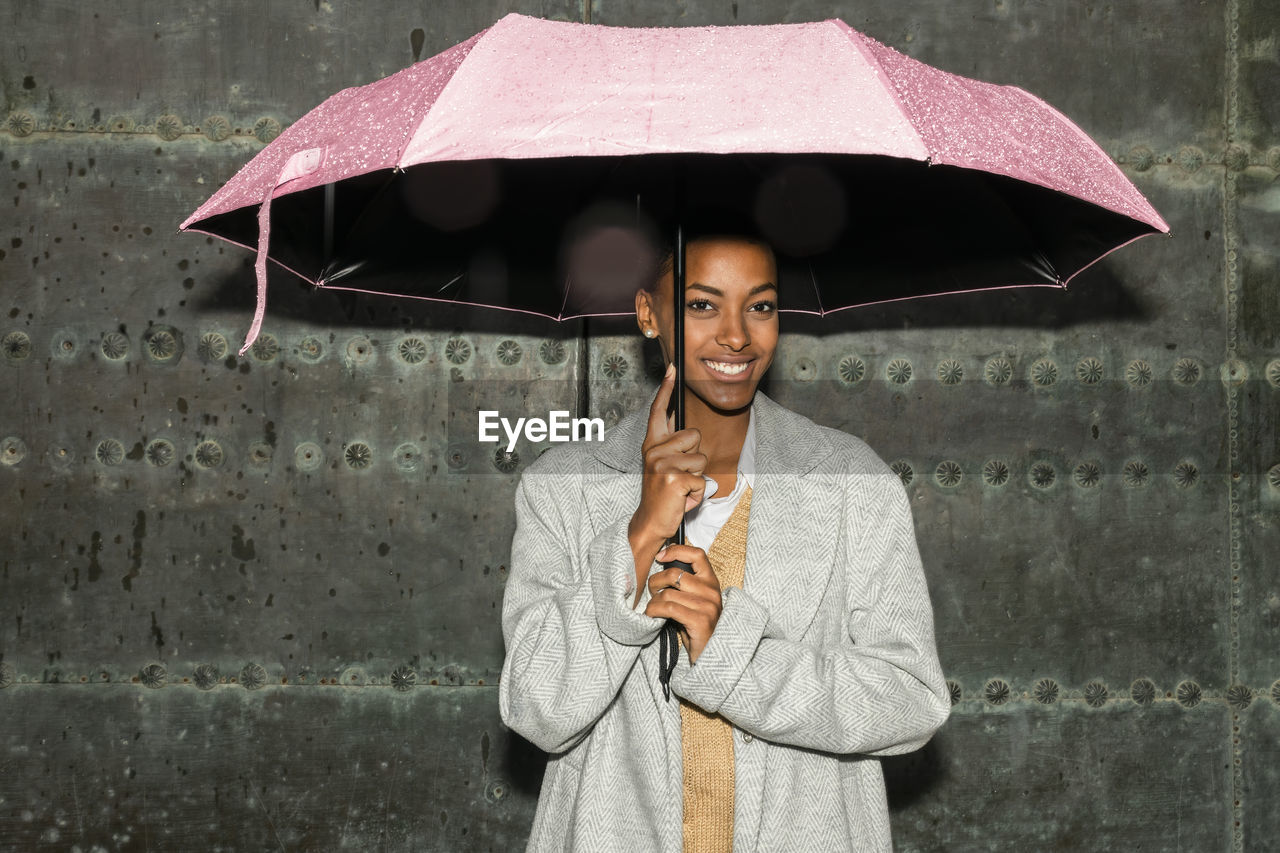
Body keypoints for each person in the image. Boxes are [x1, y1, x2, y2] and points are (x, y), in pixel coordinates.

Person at [499, 232, 949, 852]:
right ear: (647, 313)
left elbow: (911, 701)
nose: (737, 335)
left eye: (760, 306)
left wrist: (734, 654)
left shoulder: (852, 481)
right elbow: (536, 709)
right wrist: (640, 533)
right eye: (702, 305)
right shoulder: (563, 488)